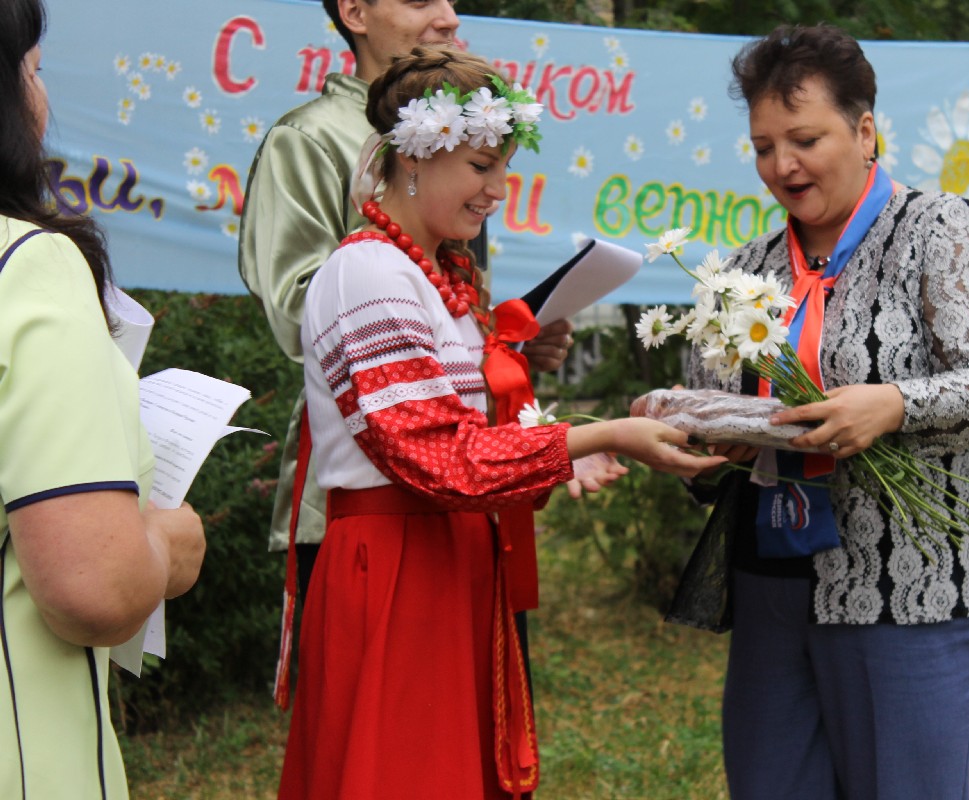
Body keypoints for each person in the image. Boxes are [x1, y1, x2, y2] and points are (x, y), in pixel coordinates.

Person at [276, 45, 725, 800]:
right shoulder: (369, 272)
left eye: (503, 167)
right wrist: (602, 434)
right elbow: (437, 458)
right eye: (483, 165)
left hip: (445, 557)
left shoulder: (433, 273)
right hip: (396, 562)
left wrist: (553, 452)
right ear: (414, 157)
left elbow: (465, 432)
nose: (497, 189)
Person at [666, 23, 969, 800]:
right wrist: (707, 439)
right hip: (775, 581)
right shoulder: (745, 270)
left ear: (865, 129)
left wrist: (895, 404)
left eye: (804, 139)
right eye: (764, 146)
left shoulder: (943, 230)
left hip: (916, 586)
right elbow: (707, 407)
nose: (782, 166)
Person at [239, 0, 573, 702]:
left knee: (472, 717)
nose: (448, 14)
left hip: (467, 480)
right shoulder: (310, 139)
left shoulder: (468, 131)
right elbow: (302, 308)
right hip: (370, 492)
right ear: (355, 10)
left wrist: (503, 348)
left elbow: (447, 299)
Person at [0, 1, 207, 796]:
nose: (41, 95)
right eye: (34, 70)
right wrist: (169, 542)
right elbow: (94, 588)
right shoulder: (27, 268)